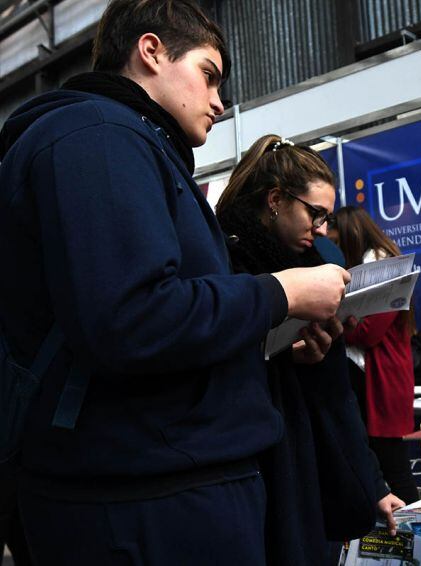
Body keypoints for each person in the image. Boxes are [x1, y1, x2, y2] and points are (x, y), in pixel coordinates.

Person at [0, 2, 349, 564]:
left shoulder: (134, 146)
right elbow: (131, 318)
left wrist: (270, 338)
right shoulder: (99, 139)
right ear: (151, 51)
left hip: (161, 482)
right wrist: (282, 293)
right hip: (140, 501)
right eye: (208, 75)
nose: (218, 100)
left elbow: (153, 324)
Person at [215, 136, 405, 565]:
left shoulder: (320, 261)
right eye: (314, 214)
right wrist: (283, 357)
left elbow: (338, 397)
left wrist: (374, 484)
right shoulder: (223, 258)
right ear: (276, 200)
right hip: (258, 467)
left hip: (314, 463)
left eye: (327, 217)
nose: (321, 228)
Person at [334, 206, 420, 505]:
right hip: (376, 377)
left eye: (337, 242)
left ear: (349, 235)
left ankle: (416, 542)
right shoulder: (378, 263)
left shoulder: (385, 267)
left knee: (395, 470)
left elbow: (368, 332)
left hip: (383, 380)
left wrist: (339, 325)